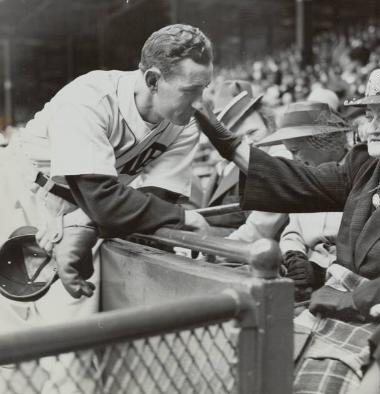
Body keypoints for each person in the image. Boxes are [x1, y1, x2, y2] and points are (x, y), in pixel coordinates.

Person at [194, 53, 380, 393]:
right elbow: (298, 181)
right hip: (338, 306)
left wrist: (351, 301)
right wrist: (226, 142)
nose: (372, 127)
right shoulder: (364, 166)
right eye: (370, 115)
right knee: (255, 361)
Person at [0, 23, 212, 392]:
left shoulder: (185, 123)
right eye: (190, 91)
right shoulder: (91, 97)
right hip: (20, 191)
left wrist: (84, 222)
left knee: (73, 341)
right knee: (10, 332)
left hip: (83, 212)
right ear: (152, 79)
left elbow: (155, 200)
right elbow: (110, 204)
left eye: (204, 88)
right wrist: (184, 218)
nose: (199, 102)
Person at [256, 101, 349, 297]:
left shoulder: (361, 172)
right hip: (306, 280)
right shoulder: (304, 178)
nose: (293, 159)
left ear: (325, 141)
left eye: (296, 151)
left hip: (345, 282)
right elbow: (293, 230)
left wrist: (319, 268)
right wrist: (293, 254)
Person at [202, 79, 291, 241]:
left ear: (269, 124)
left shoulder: (281, 158)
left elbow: (258, 231)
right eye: (240, 139)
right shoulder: (241, 162)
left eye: (252, 132)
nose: (248, 142)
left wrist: (207, 250)